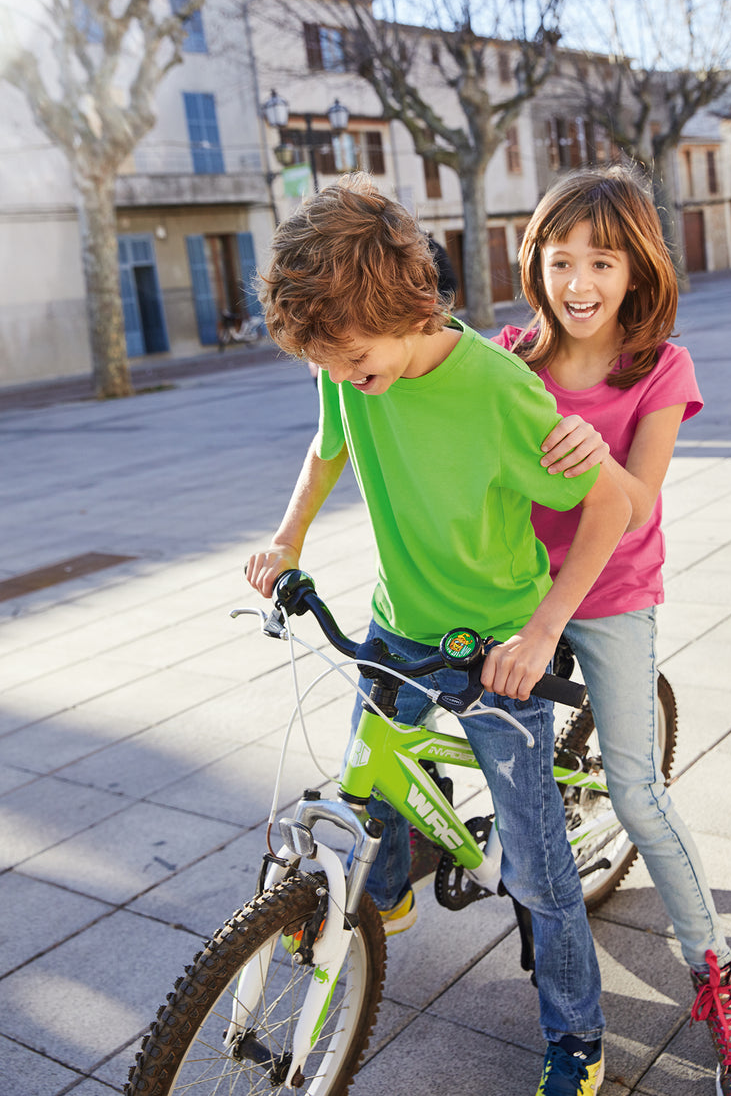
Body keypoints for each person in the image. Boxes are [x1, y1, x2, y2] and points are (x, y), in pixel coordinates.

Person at [246, 172, 633, 1096]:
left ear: (407, 308)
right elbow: (328, 443)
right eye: (332, 365)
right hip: (399, 621)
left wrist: (542, 631)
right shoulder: (350, 364)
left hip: (496, 642)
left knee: (539, 869)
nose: (347, 378)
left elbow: (611, 503)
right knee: (364, 782)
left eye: (355, 360)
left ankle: (578, 1035)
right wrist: (287, 537)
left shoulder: (497, 392)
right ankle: (380, 899)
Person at [493, 164, 731, 1096]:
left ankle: (718, 979)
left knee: (636, 790)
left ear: (636, 272)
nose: (578, 282)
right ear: (534, 263)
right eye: (561, 259)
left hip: (612, 591)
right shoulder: (510, 358)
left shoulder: (660, 366)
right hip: (518, 589)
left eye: (602, 262)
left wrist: (595, 456)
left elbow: (638, 501)